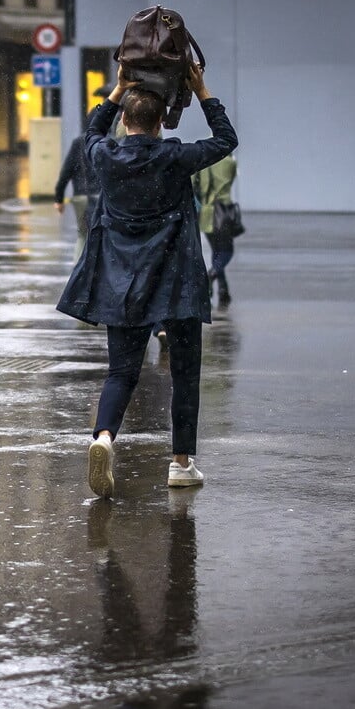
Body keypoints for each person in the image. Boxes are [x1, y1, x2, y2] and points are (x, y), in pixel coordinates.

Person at [57, 64, 237, 496]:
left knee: (121, 372)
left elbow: (92, 131)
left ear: (124, 121)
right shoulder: (175, 157)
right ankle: (180, 463)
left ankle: (103, 437)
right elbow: (226, 140)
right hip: (176, 284)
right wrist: (203, 91)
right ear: (160, 124)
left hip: (123, 284)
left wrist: (117, 89)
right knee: (185, 373)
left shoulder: (103, 156)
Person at [194, 155, 239, 304]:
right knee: (226, 251)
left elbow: (194, 184)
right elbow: (231, 179)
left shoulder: (202, 162)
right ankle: (211, 275)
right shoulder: (229, 162)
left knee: (216, 251)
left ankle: (222, 289)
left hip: (206, 213)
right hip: (223, 212)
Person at [54, 132, 97, 259]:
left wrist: (59, 198)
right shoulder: (108, 142)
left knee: (83, 236)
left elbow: (66, 172)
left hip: (81, 196)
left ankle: (79, 270)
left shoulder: (79, 142)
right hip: (101, 197)